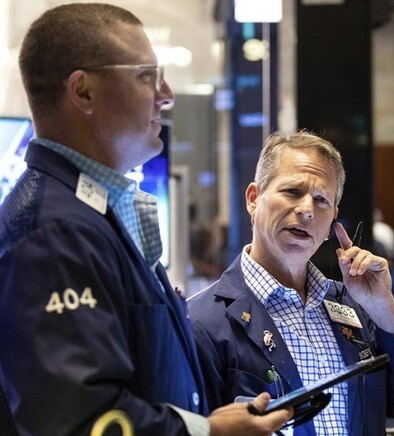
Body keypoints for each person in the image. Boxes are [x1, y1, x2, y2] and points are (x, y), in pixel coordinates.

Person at [0, 4, 290, 435]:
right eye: (146, 76)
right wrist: (207, 432)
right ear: (83, 92)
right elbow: (79, 421)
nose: (166, 94)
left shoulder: (90, 214)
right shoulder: (55, 232)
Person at [188, 130, 394, 435]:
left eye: (321, 200)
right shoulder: (202, 321)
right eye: (292, 191)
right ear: (254, 199)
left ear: (333, 218)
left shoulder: (354, 305)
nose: (307, 209)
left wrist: (383, 306)